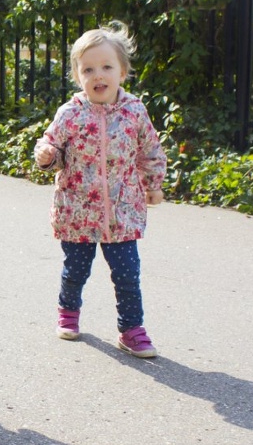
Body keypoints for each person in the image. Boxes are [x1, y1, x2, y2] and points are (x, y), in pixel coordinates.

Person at [33, 23, 167, 356]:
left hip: (122, 211)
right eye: (88, 69)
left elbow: (149, 148)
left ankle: (131, 329)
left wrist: (153, 184)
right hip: (77, 210)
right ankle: (68, 311)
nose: (98, 75)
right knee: (76, 269)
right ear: (78, 76)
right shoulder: (70, 113)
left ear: (122, 71)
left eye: (106, 67)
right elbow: (52, 146)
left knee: (127, 274)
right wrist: (48, 156)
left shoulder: (134, 111)